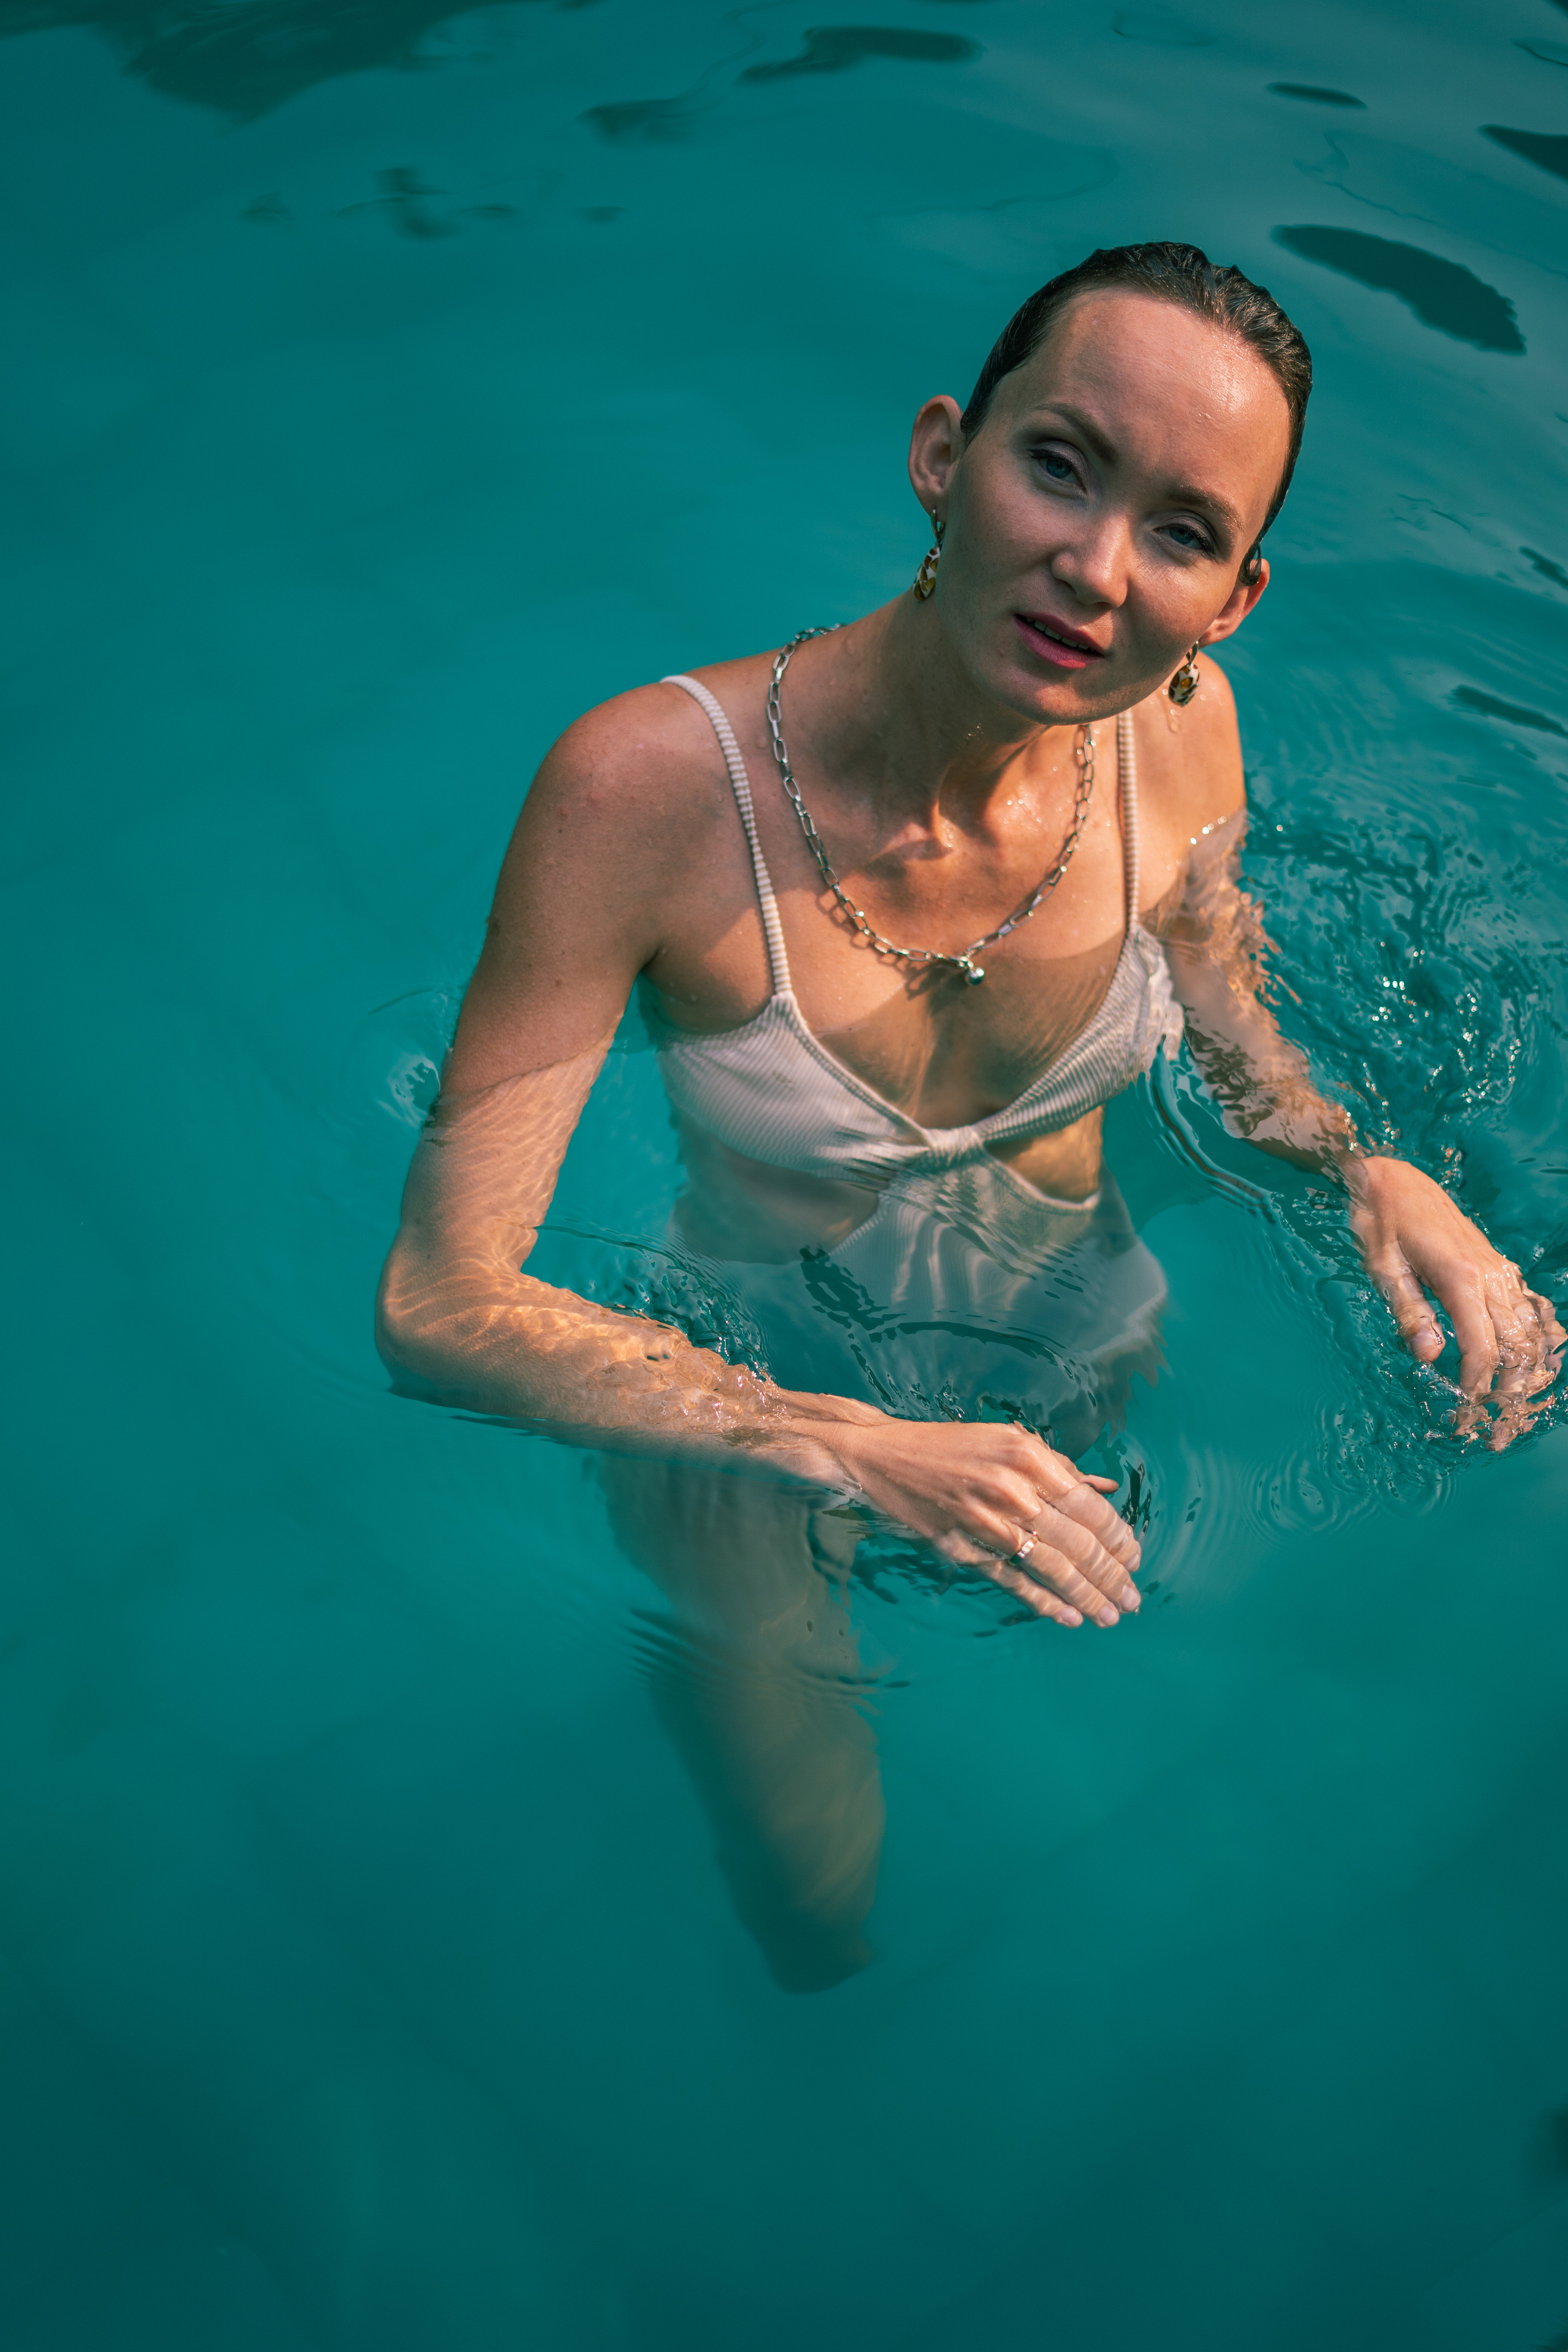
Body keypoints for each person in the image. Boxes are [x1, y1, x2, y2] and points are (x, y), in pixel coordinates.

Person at [376, 243, 1562, 1988]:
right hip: (752, 1412)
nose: (1095, 568)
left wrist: (1364, 1167)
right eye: (1059, 464)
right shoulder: (645, 792)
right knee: (820, 1906)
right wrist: (831, 1439)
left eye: (1182, 531)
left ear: (1233, 600)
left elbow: (1238, 1036)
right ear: (947, 453)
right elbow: (438, 1306)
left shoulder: (1181, 735)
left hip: (1085, 1366)